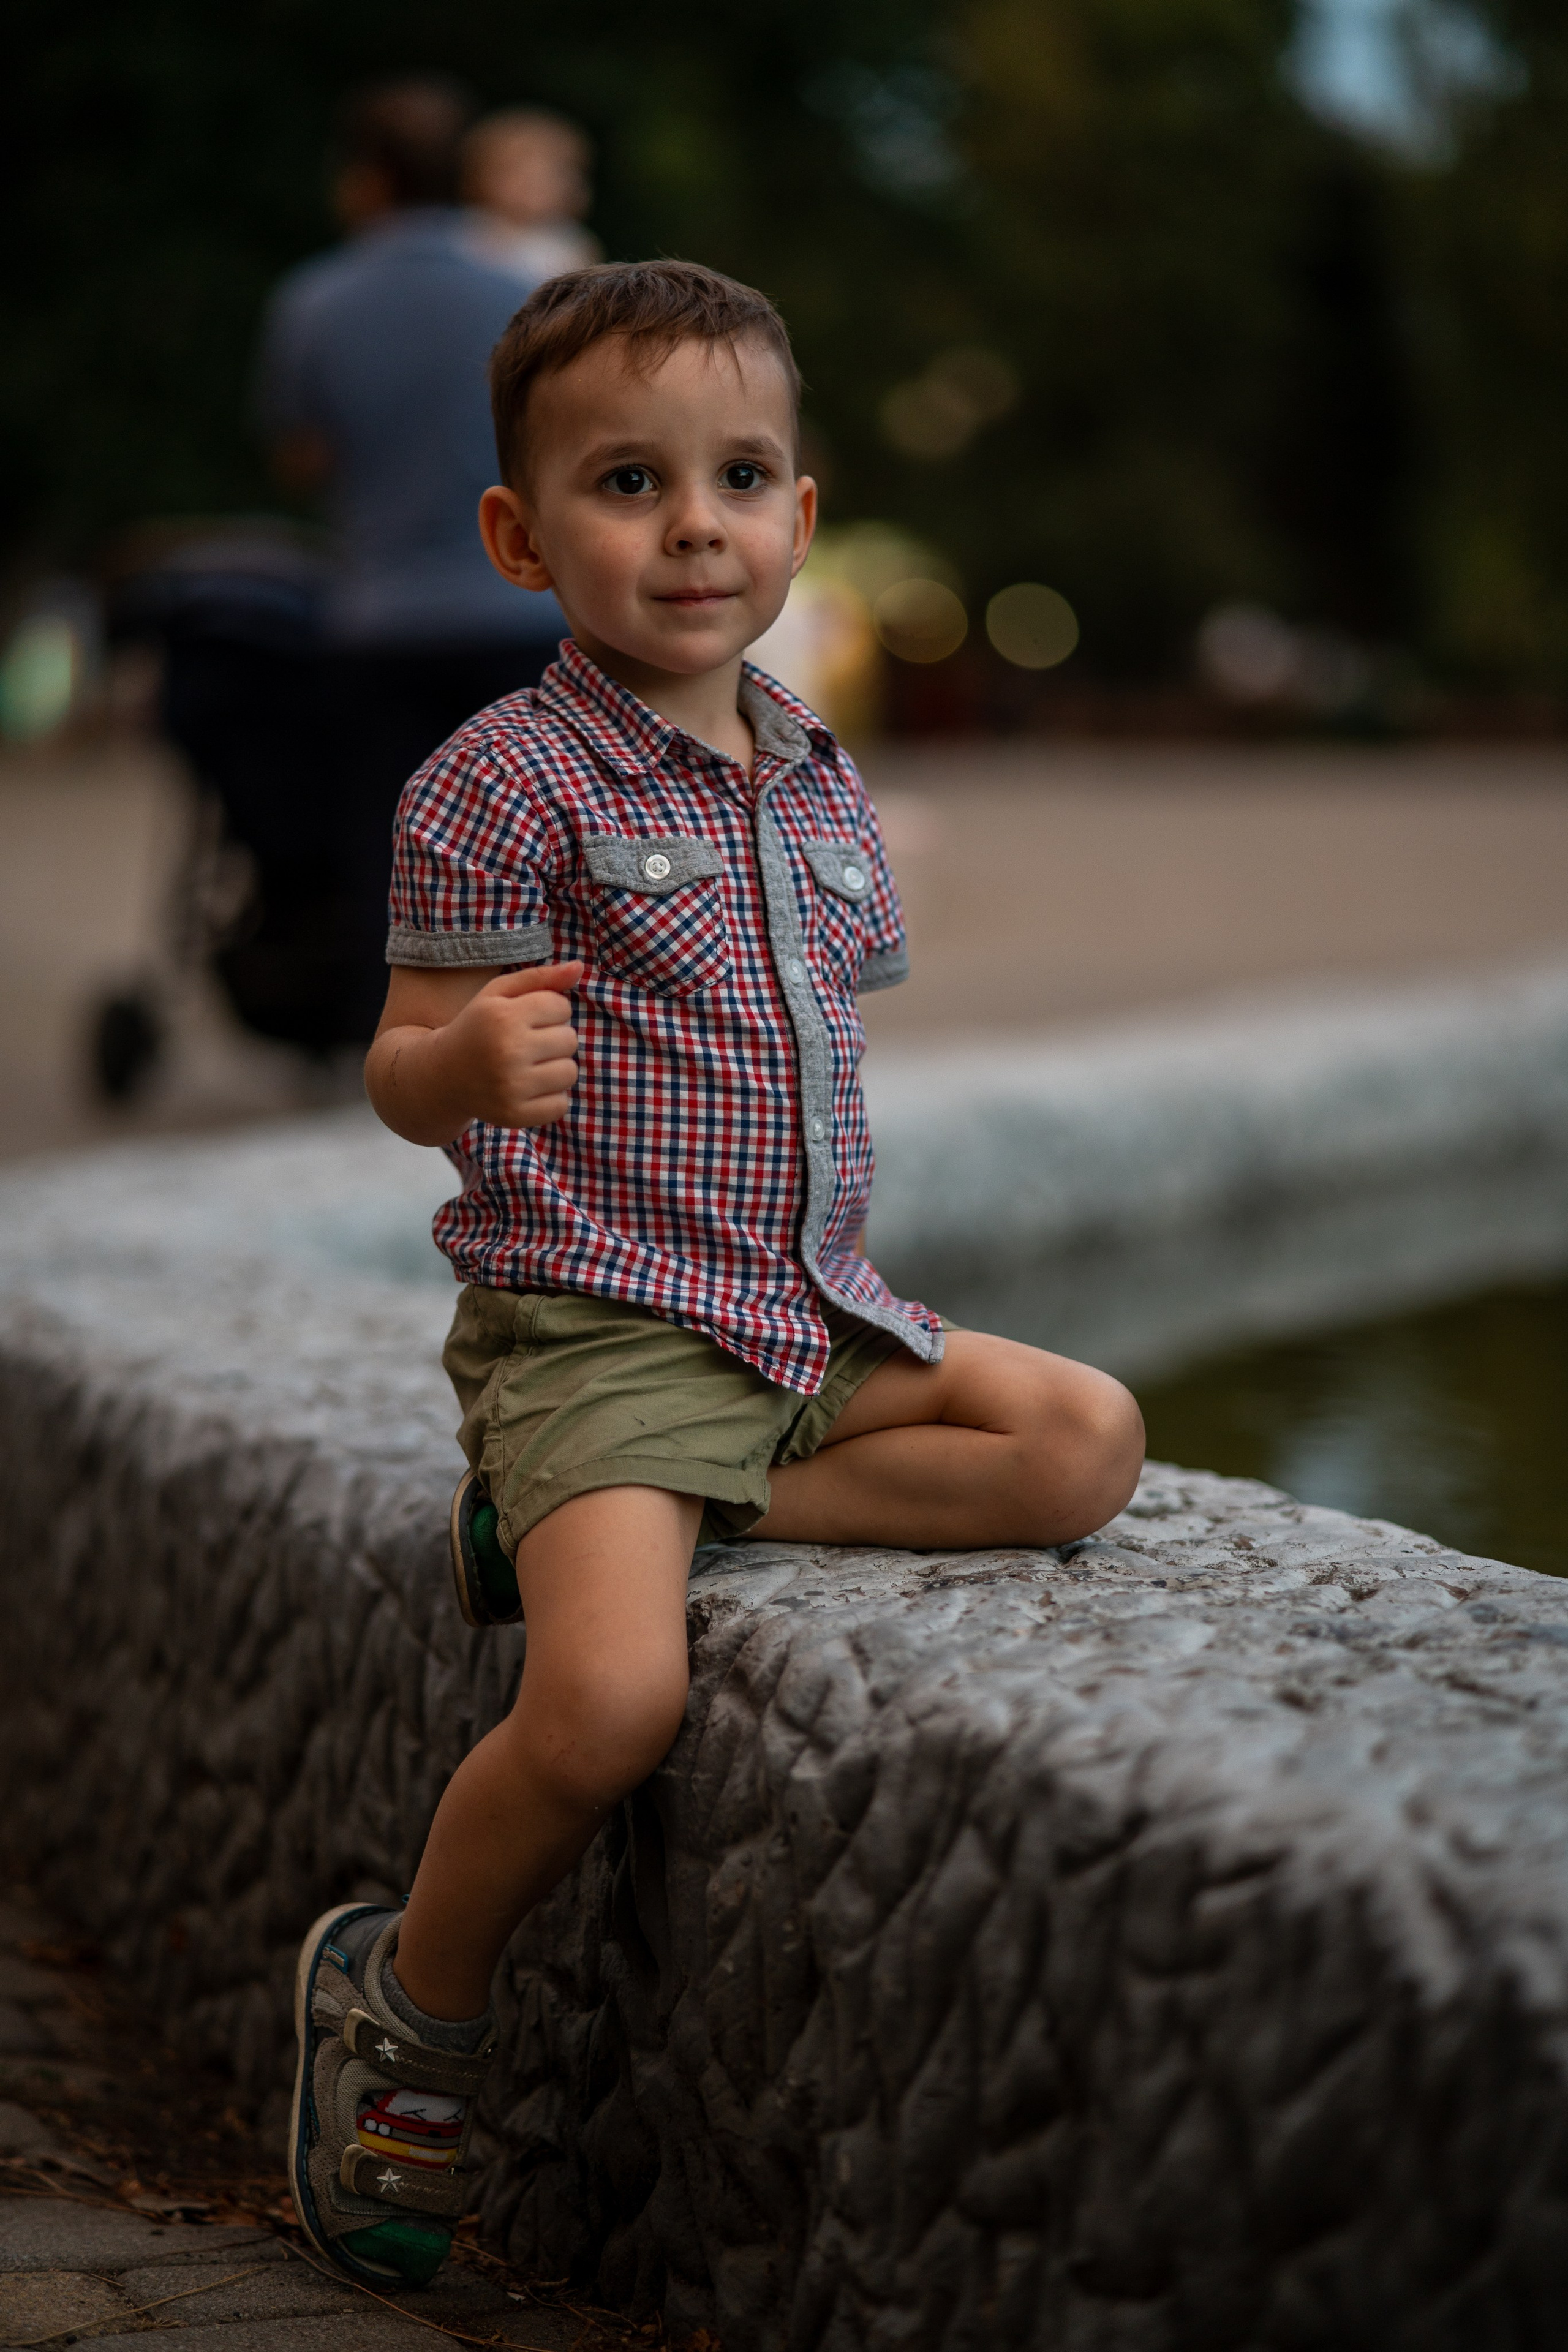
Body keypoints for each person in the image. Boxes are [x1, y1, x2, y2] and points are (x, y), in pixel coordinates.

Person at [287, 260, 1145, 2289]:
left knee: (1082, 1444)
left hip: (797, 1316)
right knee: (604, 1705)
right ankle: (405, 2009)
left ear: (801, 521)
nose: (694, 523)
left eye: (739, 475)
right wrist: (465, 1063)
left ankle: (673, 1507)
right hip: (598, 1319)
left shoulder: (819, 769)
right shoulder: (501, 779)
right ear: (519, 535)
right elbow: (397, 1067)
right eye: (627, 481)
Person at [256, 78, 569, 1041]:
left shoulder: (314, 300)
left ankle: (385, 1038)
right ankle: (545, 1034)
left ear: (365, 183)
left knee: (386, 840)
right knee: (539, 842)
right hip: (524, 615)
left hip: (379, 618)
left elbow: (302, 455)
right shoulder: (522, 293)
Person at [459, 106, 601, 285]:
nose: (531, 185)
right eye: (515, 172)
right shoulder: (462, 236)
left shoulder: (573, 245)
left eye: (550, 174)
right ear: (480, 175)